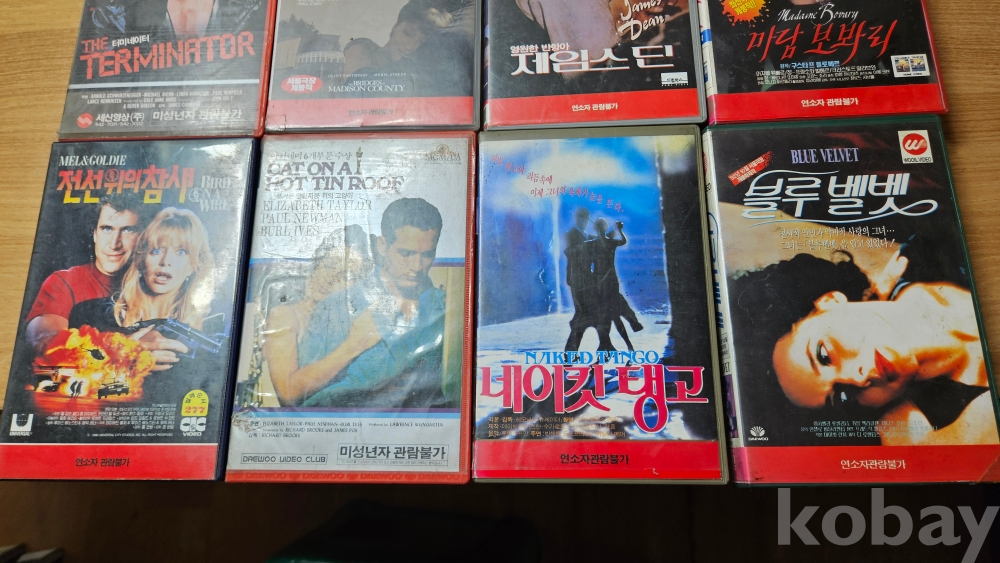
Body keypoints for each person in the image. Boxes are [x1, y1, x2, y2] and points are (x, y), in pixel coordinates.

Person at [731, 250, 999, 446]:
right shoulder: (951, 423)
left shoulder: (930, 253)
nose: (857, 379)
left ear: (830, 301)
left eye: (823, 355)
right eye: (842, 395)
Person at [300, 198, 453, 408]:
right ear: (382, 246)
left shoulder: (447, 307)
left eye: (427, 254)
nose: (416, 266)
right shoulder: (334, 308)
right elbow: (302, 394)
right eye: (405, 253)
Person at [263, 226, 374, 406]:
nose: (329, 279)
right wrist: (354, 345)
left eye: (344, 276)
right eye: (329, 266)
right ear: (317, 264)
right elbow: (287, 392)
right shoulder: (286, 315)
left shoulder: (351, 321)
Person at [25, 193, 143, 354]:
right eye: (107, 229)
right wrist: (128, 348)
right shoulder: (64, 282)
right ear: (95, 235)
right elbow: (47, 344)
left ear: (142, 238)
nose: (114, 244)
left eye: (128, 230)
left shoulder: (154, 285)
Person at [104, 208, 215, 371]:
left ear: (194, 266)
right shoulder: (95, 316)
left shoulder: (208, 332)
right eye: (156, 251)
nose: (165, 261)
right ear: (142, 259)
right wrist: (121, 357)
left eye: (181, 252)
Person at [589, 218, 642, 352]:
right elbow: (623, 241)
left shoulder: (592, 244)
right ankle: (626, 345)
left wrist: (618, 230)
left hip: (602, 283)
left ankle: (617, 345)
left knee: (608, 317)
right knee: (613, 316)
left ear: (595, 228)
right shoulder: (609, 242)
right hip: (608, 282)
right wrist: (619, 230)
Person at [564, 208, 597, 353]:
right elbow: (569, 252)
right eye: (583, 219)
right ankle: (570, 352)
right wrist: (585, 246)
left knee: (583, 314)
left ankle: (571, 352)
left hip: (587, 279)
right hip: (577, 278)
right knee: (582, 314)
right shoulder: (569, 234)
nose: (585, 222)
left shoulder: (588, 235)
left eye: (587, 220)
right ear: (578, 219)